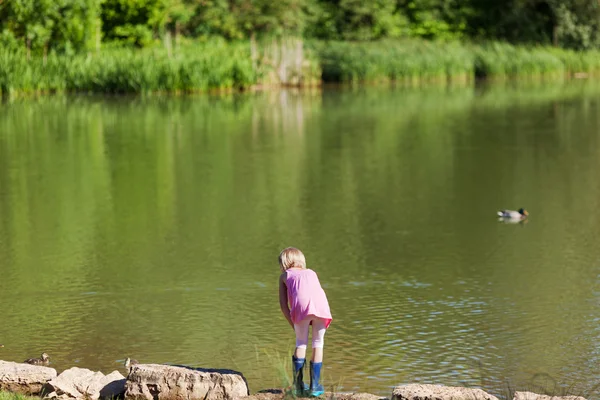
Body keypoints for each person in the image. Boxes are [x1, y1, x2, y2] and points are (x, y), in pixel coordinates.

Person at [278, 247, 332, 397]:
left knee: (301, 342)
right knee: (318, 343)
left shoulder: (284, 276)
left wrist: (293, 324)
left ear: (284, 262)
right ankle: (315, 387)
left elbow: (283, 306)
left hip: (301, 308)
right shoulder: (312, 272)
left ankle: (298, 386)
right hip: (322, 306)